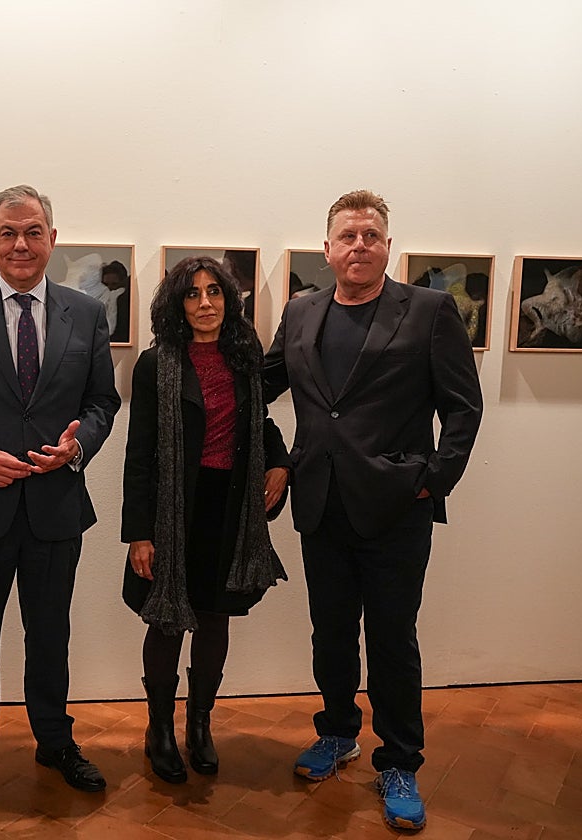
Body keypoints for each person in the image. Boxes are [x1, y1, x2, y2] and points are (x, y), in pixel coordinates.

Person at [264, 190, 482, 831]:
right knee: (329, 631)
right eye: (347, 236)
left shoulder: (431, 311)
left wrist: (429, 482)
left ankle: (400, 761)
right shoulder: (302, 312)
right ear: (326, 248)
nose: (359, 246)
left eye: (371, 235)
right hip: (321, 504)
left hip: (396, 509)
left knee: (391, 639)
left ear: (388, 245)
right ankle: (337, 731)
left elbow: (463, 410)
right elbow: (259, 387)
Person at [0, 185, 121, 813]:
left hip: (56, 505)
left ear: (53, 240)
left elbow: (102, 403)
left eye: (33, 231)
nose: (20, 244)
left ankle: (54, 741)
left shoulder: (85, 314)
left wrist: (79, 445)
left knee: (51, 634)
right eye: (8, 232)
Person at [122, 256, 290, 782]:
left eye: (214, 292)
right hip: (178, 508)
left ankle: (199, 724)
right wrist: (140, 533)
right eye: (192, 295)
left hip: (231, 508)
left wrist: (281, 461)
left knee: (215, 617)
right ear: (178, 304)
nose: (205, 304)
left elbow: (257, 421)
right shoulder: (156, 364)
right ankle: (159, 729)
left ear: (228, 300)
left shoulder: (245, 356)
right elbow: (140, 452)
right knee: (168, 621)